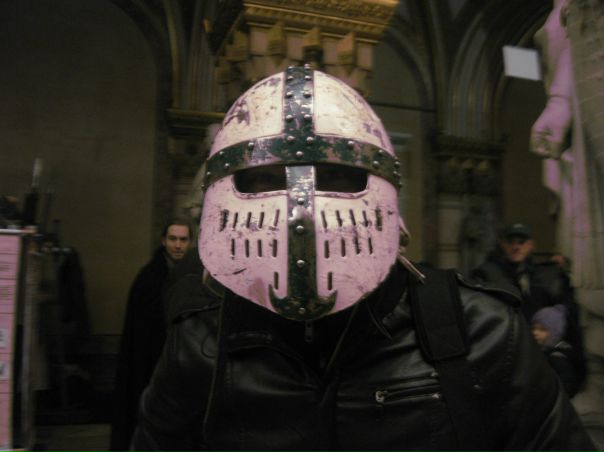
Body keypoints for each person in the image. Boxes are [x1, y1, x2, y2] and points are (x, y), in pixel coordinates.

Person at [132, 67, 595, 451]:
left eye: (336, 176)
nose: (301, 209)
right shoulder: (203, 342)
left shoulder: (479, 330)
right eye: (264, 179)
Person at [110, 219, 192, 452]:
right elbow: (142, 329)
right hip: (150, 359)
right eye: (173, 239)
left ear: (190, 242)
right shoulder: (150, 277)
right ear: (164, 241)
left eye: (183, 240)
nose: (178, 245)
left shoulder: (191, 274)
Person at [531, 305, 584, 397]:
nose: (535, 333)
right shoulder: (547, 351)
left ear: (555, 332)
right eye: (534, 328)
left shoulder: (557, 357)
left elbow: (567, 385)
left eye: (542, 329)